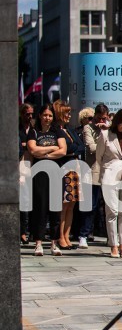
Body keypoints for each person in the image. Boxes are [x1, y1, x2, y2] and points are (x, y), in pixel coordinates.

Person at [27, 104, 67, 256]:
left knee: (55, 208)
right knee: (40, 206)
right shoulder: (34, 131)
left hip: (55, 171)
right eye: (45, 115)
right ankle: (38, 243)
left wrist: (43, 154)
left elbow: (62, 150)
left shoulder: (57, 131)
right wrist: (52, 148)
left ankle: (54, 243)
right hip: (39, 173)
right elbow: (32, 150)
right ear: (40, 116)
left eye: (50, 115)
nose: (47, 118)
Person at [95, 109, 122, 258]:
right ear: (116, 121)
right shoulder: (105, 135)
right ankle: (113, 245)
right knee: (112, 212)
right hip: (110, 176)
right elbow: (99, 156)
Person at [53, 101, 84, 250]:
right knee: (63, 205)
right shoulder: (55, 131)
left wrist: (71, 149)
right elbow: (68, 149)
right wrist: (71, 149)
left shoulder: (69, 129)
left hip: (75, 168)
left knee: (71, 204)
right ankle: (60, 236)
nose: (68, 116)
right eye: (66, 113)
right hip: (63, 168)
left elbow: (80, 146)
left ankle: (67, 235)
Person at [78, 103, 109, 249]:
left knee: (110, 206)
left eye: (104, 118)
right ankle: (83, 234)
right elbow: (91, 148)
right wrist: (103, 138)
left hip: (110, 172)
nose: (102, 121)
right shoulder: (88, 128)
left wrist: (106, 131)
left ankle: (111, 236)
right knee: (91, 205)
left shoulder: (110, 129)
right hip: (93, 171)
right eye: (99, 118)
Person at [19, 103, 35, 244]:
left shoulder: (34, 128)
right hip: (22, 166)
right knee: (24, 199)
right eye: (27, 114)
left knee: (33, 200)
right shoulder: (17, 128)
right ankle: (23, 231)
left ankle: (31, 231)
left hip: (35, 165)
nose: (29, 116)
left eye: (31, 114)